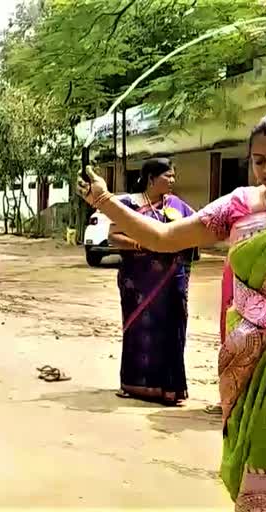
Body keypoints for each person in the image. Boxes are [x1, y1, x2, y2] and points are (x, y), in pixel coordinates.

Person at [78, 111, 266, 509]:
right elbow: (164, 237)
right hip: (252, 365)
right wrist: (103, 199)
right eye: (259, 160)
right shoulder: (241, 206)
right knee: (263, 468)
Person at [108, 158, 197, 406]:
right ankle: (133, 384)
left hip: (171, 281)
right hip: (138, 283)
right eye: (167, 176)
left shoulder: (178, 206)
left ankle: (170, 389)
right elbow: (113, 236)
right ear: (150, 178)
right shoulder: (129, 205)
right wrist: (142, 244)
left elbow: (197, 231)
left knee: (172, 328)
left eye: (173, 176)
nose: (172, 180)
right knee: (141, 329)